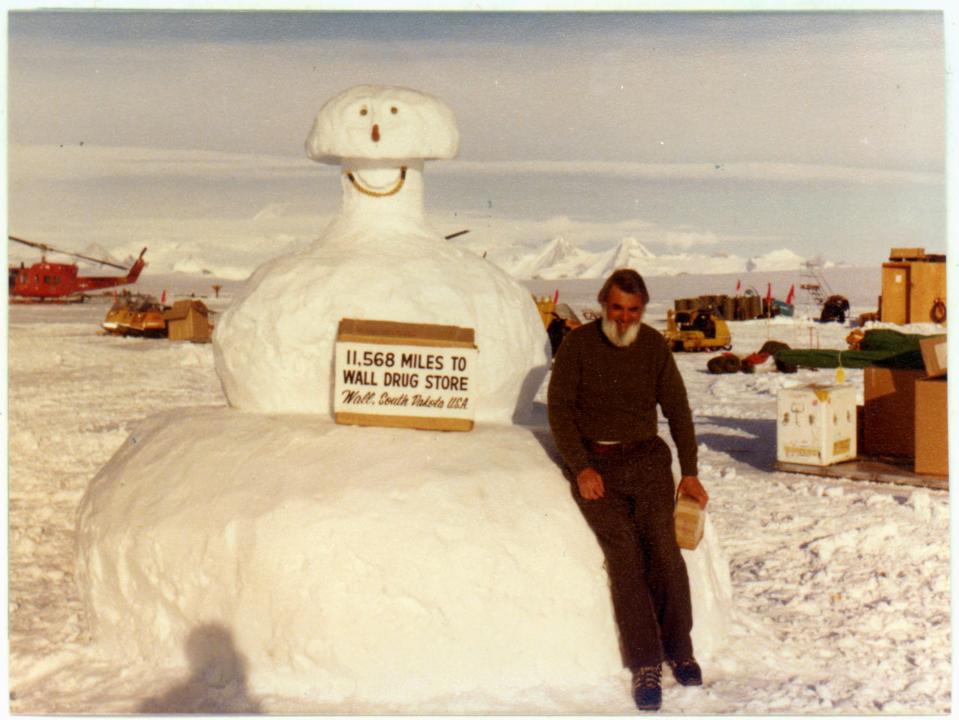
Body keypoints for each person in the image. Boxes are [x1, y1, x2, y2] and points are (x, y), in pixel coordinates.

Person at [547, 268, 709, 712]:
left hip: (648, 463)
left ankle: (681, 649)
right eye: (616, 307)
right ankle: (646, 664)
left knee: (665, 550)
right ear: (603, 303)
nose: (623, 318)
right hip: (597, 467)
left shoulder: (654, 346)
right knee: (624, 556)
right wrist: (581, 467)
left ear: (642, 310)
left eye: (632, 310)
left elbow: (678, 410)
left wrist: (690, 472)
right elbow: (559, 410)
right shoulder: (578, 346)